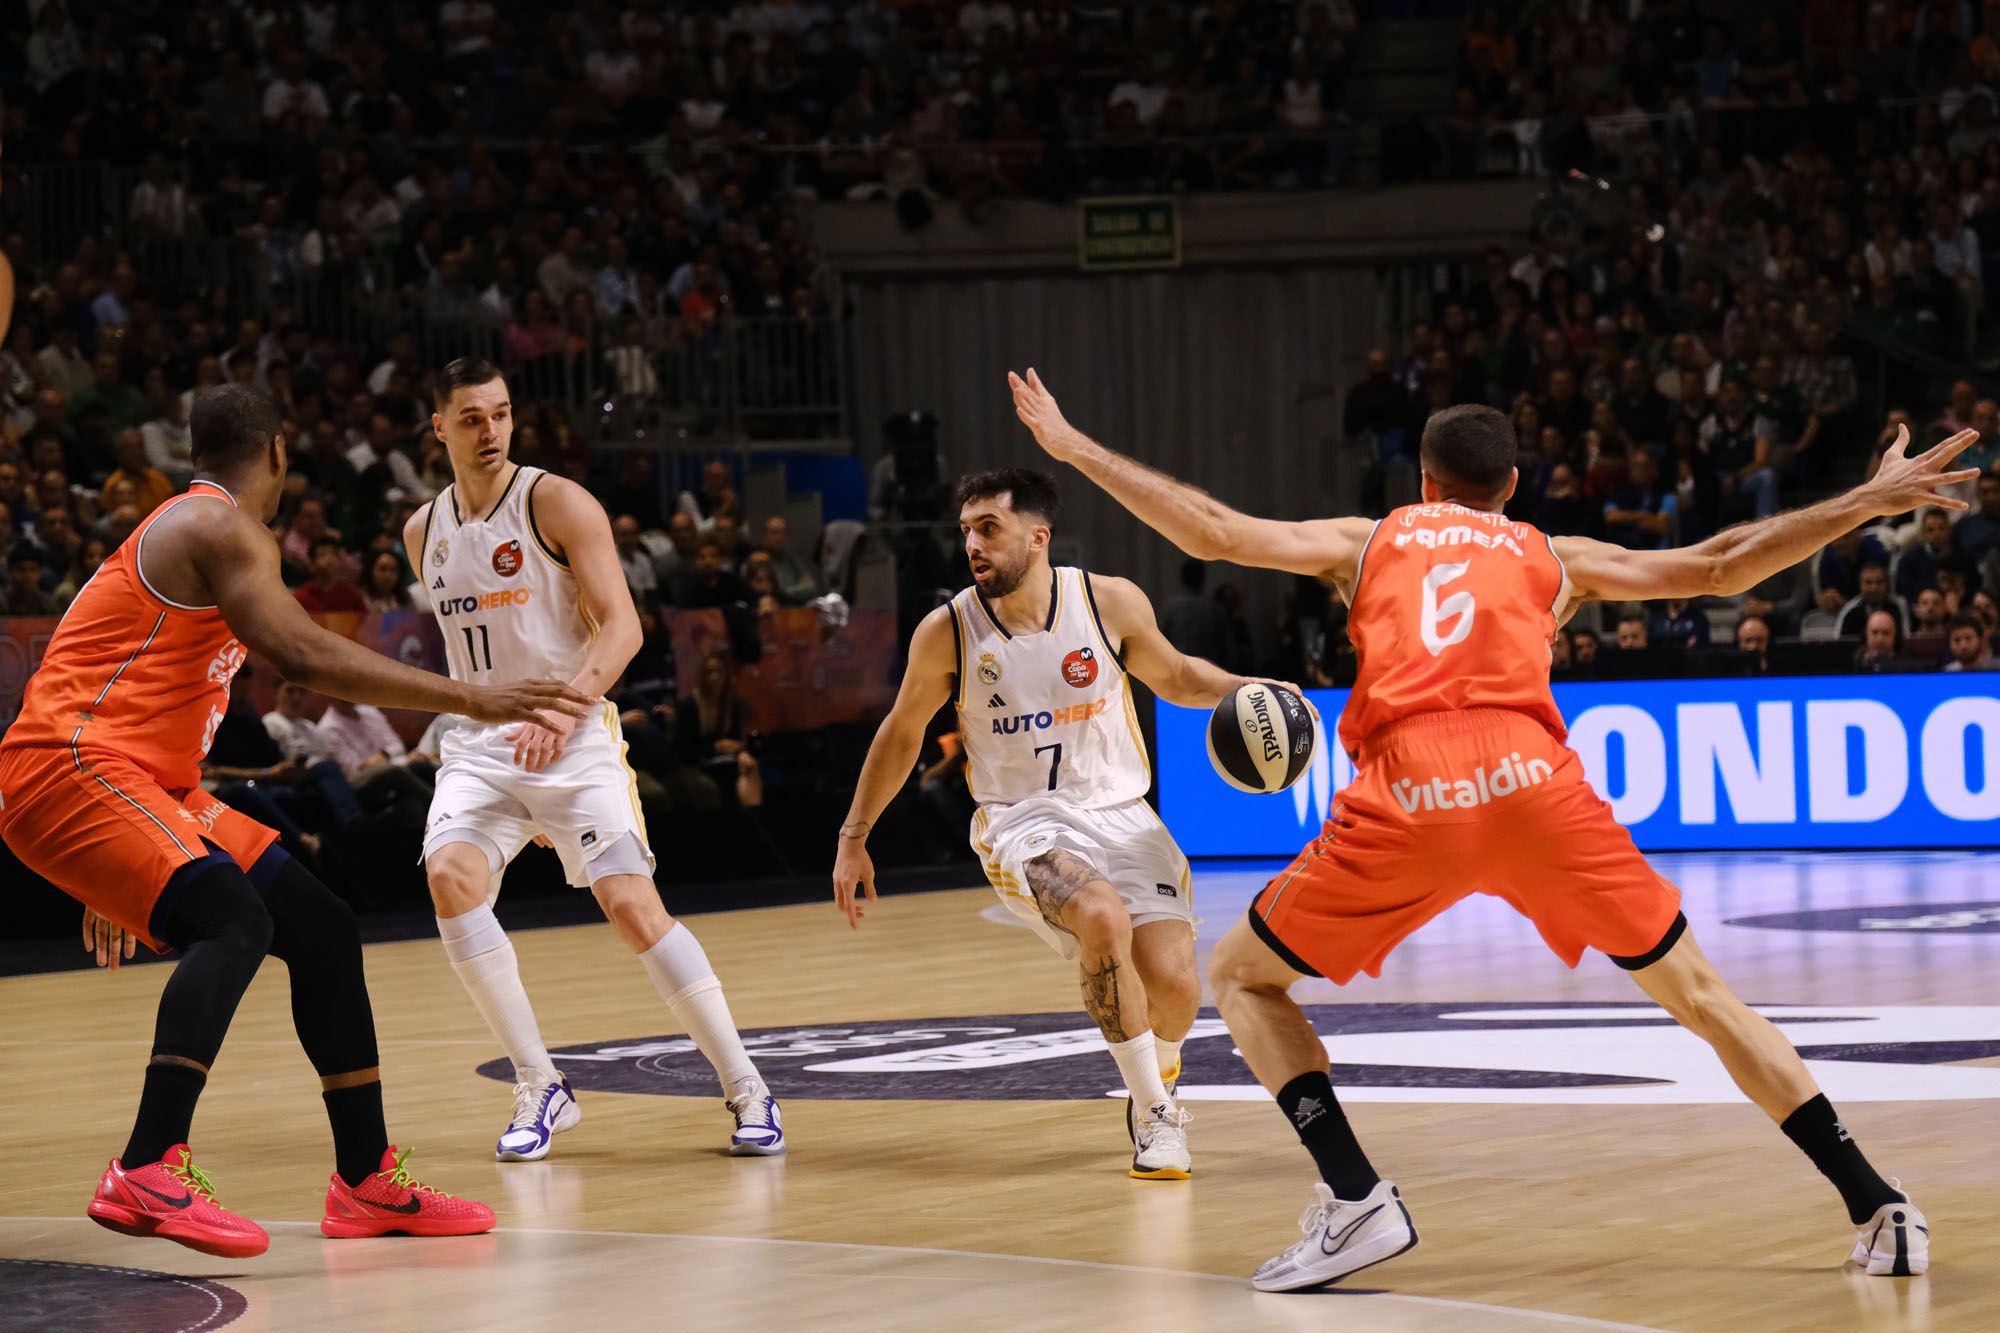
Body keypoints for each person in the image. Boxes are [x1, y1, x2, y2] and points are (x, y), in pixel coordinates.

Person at [1009, 367, 1970, 1288]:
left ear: (1422, 482)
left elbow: (1214, 530)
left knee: (1243, 977)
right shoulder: (1557, 556)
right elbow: (1720, 566)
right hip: (1533, 782)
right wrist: (1860, 502)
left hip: (1411, 785)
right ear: (1511, 486)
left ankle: (1355, 1197)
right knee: (1705, 996)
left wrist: (1071, 445)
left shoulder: (1369, 538)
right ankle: (1878, 1205)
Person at [0, 384, 593, 1260]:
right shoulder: (219, 526)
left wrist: (118, 862)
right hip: (76, 767)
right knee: (232, 917)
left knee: (320, 924)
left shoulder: (189, 528)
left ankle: (364, 1180)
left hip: (134, 782)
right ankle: (148, 1163)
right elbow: (303, 653)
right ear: (278, 453)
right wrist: (477, 695)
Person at [834, 467, 1286, 1181]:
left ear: (1037, 536)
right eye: (966, 531)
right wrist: (854, 835)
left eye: (989, 528)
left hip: (1122, 813)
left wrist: (1249, 688)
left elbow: (1174, 678)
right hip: (1025, 821)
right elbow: (901, 734)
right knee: (1100, 918)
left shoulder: (1106, 602)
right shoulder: (948, 630)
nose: (973, 545)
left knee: (1173, 991)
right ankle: (1153, 1113)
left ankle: (1155, 1065)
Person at [406, 358, 782, 1163]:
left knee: (630, 904)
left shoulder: (557, 501)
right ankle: (540, 1082)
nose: (491, 431)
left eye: (502, 414)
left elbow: (623, 628)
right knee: (449, 879)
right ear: (438, 427)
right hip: (481, 745)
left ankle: (747, 1083)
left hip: (572, 735)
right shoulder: (421, 530)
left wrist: (565, 706)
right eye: (471, 417)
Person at [1157, 558, 1233, 664]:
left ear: (1182, 578)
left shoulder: (1171, 608)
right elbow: (1228, 649)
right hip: (1210, 669)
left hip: (1179, 669)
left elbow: (1160, 643)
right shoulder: (1216, 609)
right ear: (1203, 578)